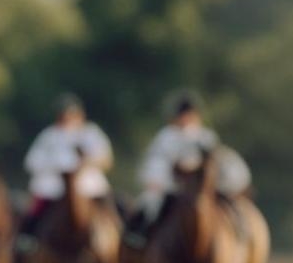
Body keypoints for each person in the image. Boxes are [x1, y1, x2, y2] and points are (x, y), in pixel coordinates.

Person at [125, 90, 250, 247]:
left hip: (202, 188)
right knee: (149, 203)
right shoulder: (166, 137)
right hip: (171, 186)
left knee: (229, 204)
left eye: (189, 114)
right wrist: (155, 180)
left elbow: (214, 163)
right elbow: (156, 161)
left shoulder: (205, 137)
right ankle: (140, 235)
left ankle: (240, 229)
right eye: (183, 115)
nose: (186, 119)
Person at [16, 93, 114, 251]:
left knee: (109, 209)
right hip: (54, 185)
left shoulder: (90, 133)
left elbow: (105, 159)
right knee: (36, 208)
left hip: (87, 184)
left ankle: (119, 236)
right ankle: (28, 237)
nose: (67, 118)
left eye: (70, 113)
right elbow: (32, 161)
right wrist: (53, 167)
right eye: (63, 114)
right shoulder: (49, 136)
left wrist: (86, 163)